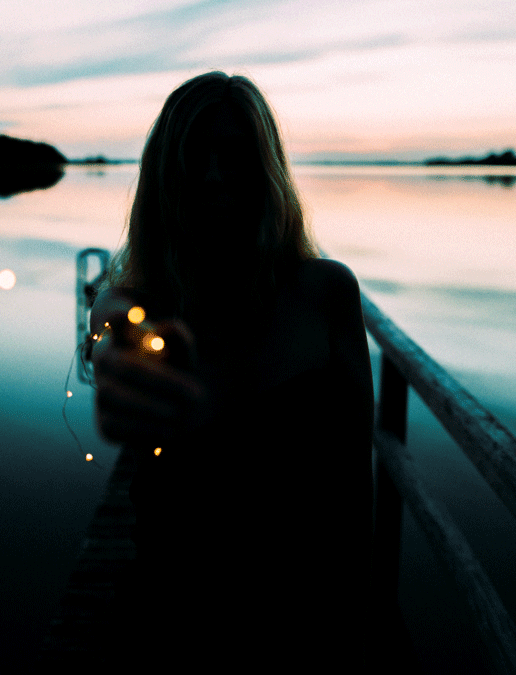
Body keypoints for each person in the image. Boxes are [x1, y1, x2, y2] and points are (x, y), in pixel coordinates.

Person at [87, 71, 373, 668]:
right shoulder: (149, 305)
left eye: (235, 155)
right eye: (196, 155)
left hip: (302, 616)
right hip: (174, 614)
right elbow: (113, 318)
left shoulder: (326, 293)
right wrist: (112, 342)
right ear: (167, 173)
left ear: (265, 169)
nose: (215, 175)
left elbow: (354, 480)